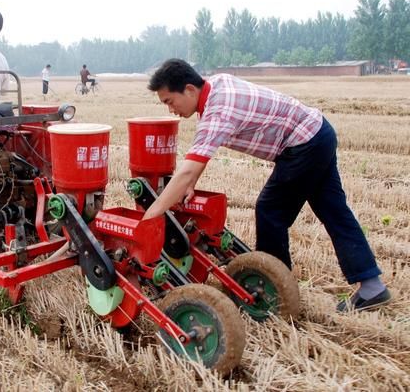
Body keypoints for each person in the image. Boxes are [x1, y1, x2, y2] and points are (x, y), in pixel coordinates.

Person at [144, 58, 391, 313]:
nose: (170, 110)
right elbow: (200, 158)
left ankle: (275, 292)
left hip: (303, 144)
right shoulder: (218, 85)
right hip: (319, 131)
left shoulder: (218, 112)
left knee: (270, 210)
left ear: (189, 89)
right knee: (334, 211)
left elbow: (187, 170)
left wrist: (152, 214)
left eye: (169, 102)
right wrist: (191, 182)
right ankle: (372, 287)